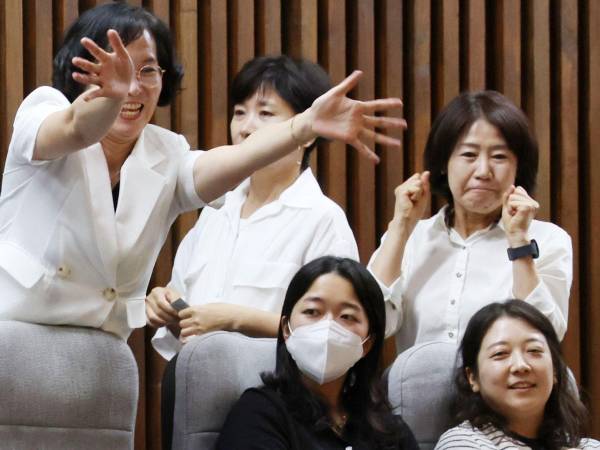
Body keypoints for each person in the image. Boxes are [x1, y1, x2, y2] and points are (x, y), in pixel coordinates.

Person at [0, 3, 405, 340]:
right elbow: (76, 128)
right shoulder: (44, 110)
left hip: (103, 352)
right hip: (16, 333)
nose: (134, 88)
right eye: (118, 69)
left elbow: (227, 162)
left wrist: (302, 126)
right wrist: (113, 94)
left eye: (147, 71)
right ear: (82, 69)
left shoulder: (165, 152)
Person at [147, 55, 360, 361]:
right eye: (239, 113)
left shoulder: (322, 219)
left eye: (265, 113)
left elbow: (334, 335)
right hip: (195, 386)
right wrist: (166, 306)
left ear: (307, 130)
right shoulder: (215, 210)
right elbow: (186, 311)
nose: (246, 128)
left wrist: (238, 319)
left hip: (275, 396)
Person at [369, 91, 572, 355]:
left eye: (499, 157)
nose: (483, 171)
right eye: (468, 155)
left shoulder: (548, 240)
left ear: (518, 168)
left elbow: (547, 333)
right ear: (444, 163)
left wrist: (520, 244)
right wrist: (400, 229)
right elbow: (373, 323)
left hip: (504, 394)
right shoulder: (412, 238)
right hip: (418, 394)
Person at [216, 256, 419, 450]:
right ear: (286, 328)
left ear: (367, 343)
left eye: (347, 316)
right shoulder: (259, 413)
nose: (327, 327)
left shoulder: (389, 428)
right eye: (312, 312)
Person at [435, 299, 600, 450]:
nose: (520, 366)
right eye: (500, 353)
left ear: (555, 370)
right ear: (472, 377)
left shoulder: (588, 446)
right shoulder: (462, 442)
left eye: (534, 350)